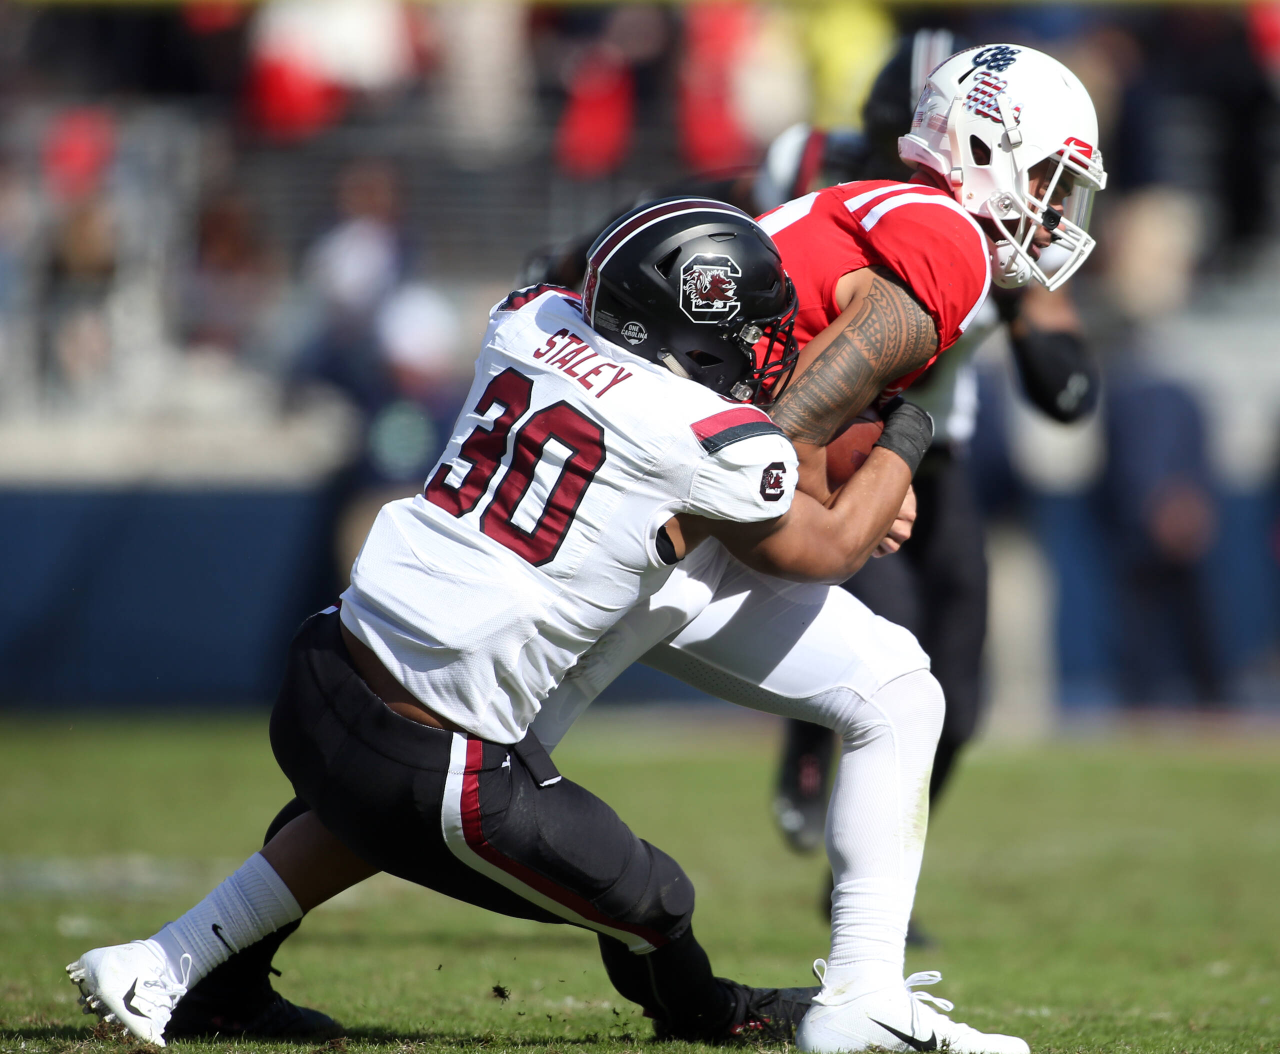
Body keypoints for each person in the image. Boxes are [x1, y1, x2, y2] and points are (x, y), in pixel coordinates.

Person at [78, 42, 1103, 1054]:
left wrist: (821, 467)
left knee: (456, 737)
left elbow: (786, 376)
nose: (1058, 213)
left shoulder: (833, 207)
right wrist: (872, 460)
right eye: (1051, 180)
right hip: (682, 510)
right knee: (889, 693)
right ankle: (857, 992)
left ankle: (187, 956)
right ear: (984, 147)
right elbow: (796, 417)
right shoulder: (949, 240)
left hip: (621, 507)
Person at [770, 33, 1102, 922]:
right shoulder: (839, 180)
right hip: (828, 430)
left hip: (920, 444)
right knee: (893, 651)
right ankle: (826, 794)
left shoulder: (992, 231)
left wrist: (1032, 320)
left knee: (958, 686)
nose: (1055, 210)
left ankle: (866, 875)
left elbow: (1065, 379)